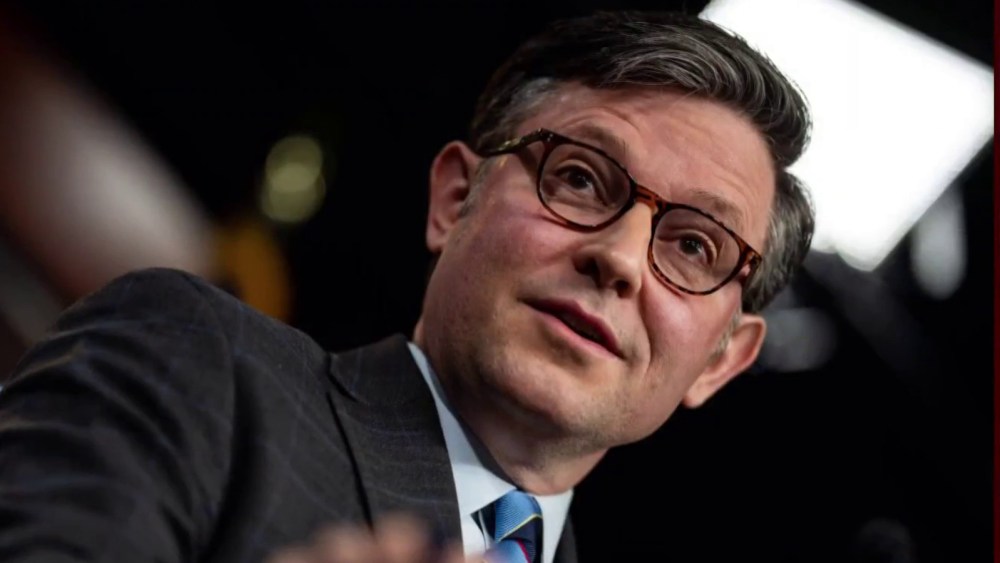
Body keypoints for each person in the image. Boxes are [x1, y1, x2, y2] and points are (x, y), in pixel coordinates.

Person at [0, 10, 813, 563]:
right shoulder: (198, 359)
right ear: (455, 199)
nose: (622, 259)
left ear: (720, 360)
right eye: (578, 178)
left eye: (695, 246)